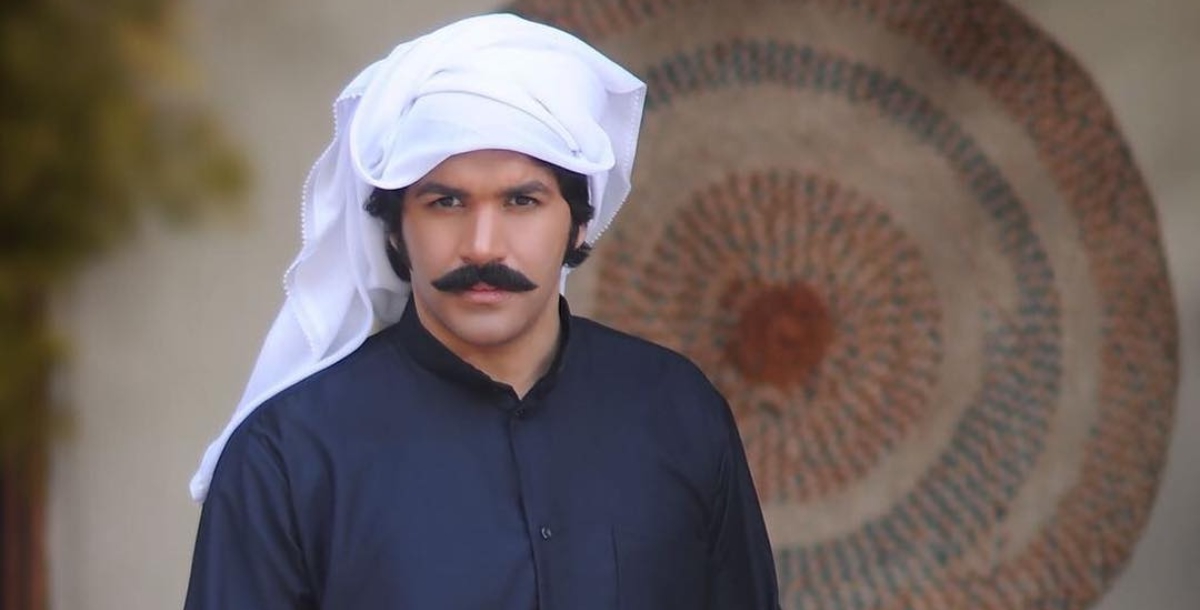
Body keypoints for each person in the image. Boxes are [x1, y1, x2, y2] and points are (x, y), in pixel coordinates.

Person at [184, 13, 779, 610]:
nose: (483, 246)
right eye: (446, 202)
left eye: (522, 200)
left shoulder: (676, 411)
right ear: (394, 230)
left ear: (578, 223)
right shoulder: (288, 458)